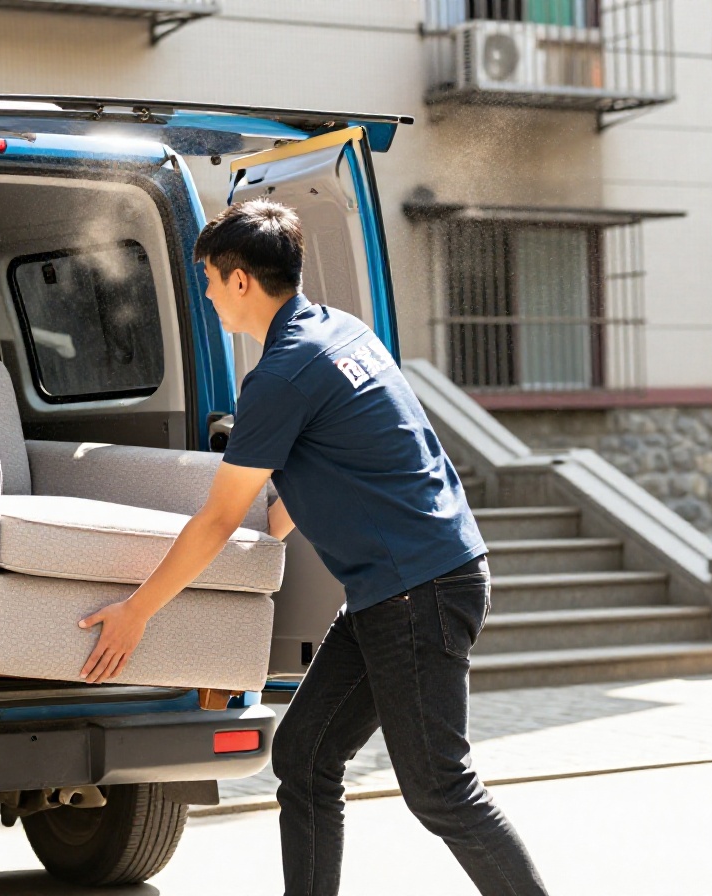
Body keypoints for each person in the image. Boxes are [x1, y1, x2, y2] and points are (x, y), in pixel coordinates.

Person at [77, 199, 549, 896]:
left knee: (442, 791)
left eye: (208, 279)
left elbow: (216, 520)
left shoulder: (279, 376)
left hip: (416, 590)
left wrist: (138, 610)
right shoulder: (341, 334)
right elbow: (323, 469)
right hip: (404, 584)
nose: (206, 295)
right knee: (304, 757)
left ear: (241, 281)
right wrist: (259, 538)